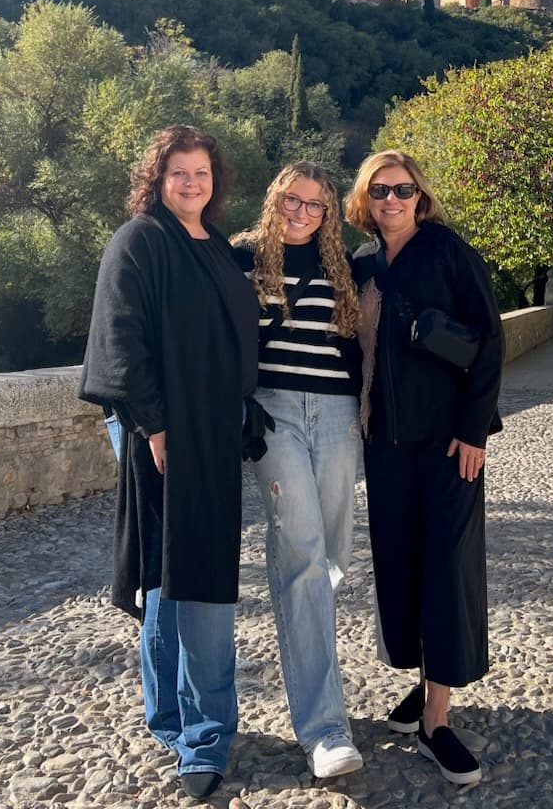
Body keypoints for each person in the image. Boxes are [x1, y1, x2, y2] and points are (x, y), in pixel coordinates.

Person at [79, 125, 260, 802]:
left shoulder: (213, 246)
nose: (191, 182)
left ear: (216, 181)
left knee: (168, 574)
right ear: (156, 178)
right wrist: (154, 425)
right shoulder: (140, 241)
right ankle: (205, 735)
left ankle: (171, 717)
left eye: (202, 173)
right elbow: (118, 333)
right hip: (164, 428)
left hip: (210, 427)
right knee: (193, 575)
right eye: (178, 172)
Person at [345, 149, 503, 788]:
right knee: (402, 568)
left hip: (445, 444)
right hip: (385, 444)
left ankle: (438, 718)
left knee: (446, 569)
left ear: (420, 195)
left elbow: (489, 338)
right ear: (364, 198)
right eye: (380, 190)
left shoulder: (446, 251)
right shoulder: (360, 264)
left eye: (403, 190)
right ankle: (421, 682)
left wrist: (473, 430)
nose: (392, 200)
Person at [232, 162, 364, 779]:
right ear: (275, 198)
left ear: (329, 213)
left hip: (337, 414)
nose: (303, 213)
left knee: (332, 554)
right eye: (294, 200)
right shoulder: (241, 257)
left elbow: (362, 343)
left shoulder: (344, 265)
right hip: (277, 415)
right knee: (304, 553)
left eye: (317, 205)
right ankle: (324, 727)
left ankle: (307, 628)